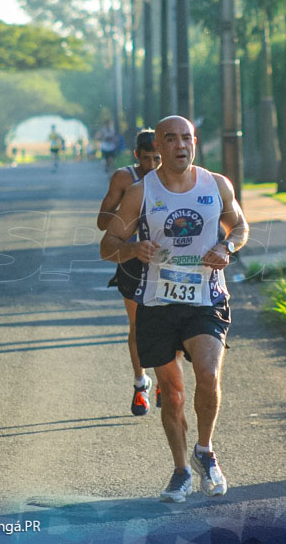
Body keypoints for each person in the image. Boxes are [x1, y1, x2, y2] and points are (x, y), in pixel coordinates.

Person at [99, 115, 248, 503]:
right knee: (173, 392)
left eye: (186, 138)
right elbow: (107, 244)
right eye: (171, 139)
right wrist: (132, 249)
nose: (180, 145)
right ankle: (181, 470)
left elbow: (241, 228)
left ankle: (205, 450)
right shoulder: (139, 192)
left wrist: (226, 247)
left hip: (206, 298)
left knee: (208, 372)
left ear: (194, 142)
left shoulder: (216, 185)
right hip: (157, 301)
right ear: (158, 148)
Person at [97, 129, 162, 416]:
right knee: (138, 325)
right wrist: (128, 214)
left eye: (157, 158)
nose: (152, 165)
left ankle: (164, 382)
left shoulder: (175, 176)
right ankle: (140, 384)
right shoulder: (125, 178)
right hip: (132, 258)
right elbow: (102, 222)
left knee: (169, 322)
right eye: (147, 158)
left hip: (164, 260)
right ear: (136, 155)